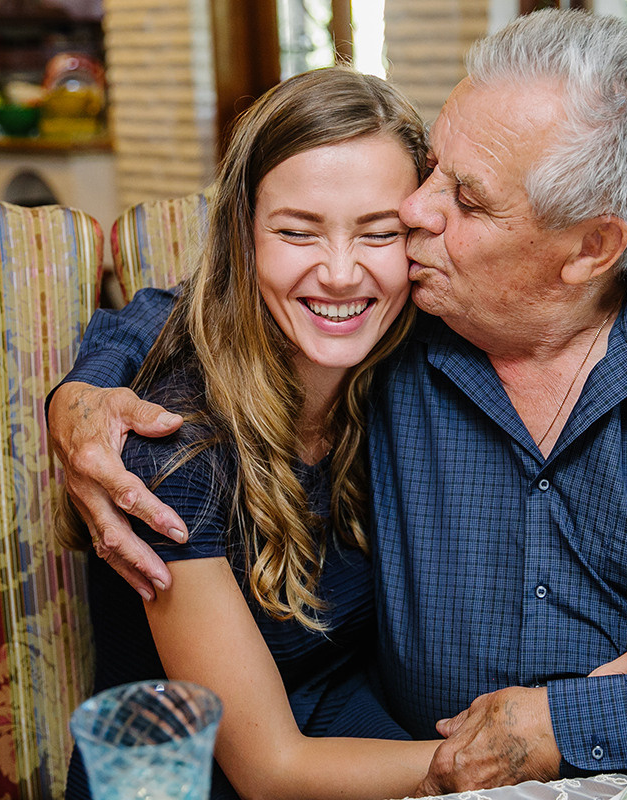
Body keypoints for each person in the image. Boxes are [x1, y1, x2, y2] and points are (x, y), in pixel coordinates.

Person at [49, 10, 627, 795]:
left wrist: (578, 725)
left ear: (591, 248)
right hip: (389, 765)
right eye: (433, 169)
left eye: (463, 197)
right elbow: (215, 309)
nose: (416, 215)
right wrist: (84, 390)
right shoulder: (408, 316)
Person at [59, 66, 442, 800]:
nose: (339, 272)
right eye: (298, 232)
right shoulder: (174, 446)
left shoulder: (397, 370)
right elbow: (268, 772)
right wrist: (512, 755)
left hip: (348, 735)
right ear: (243, 234)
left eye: (379, 233)